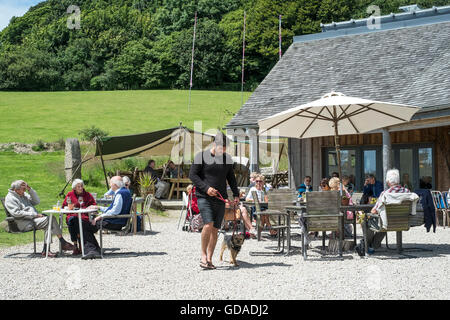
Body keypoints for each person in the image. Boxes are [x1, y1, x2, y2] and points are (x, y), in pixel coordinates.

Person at [189, 132, 240, 270]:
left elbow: (232, 179)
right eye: (220, 147)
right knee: (208, 224)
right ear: (214, 144)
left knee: (215, 229)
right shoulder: (201, 156)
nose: (222, 150)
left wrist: (236, 194)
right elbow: (192, 175)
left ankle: (210, 259)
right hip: (204, 197)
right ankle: (203, 256)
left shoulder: (227, 159)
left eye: (224, 148)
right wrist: (206, 188)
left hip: (220, 198)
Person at [4, 180, 75, 257]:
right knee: (49, 220)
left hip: (32, 220)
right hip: (23, 223)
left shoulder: (23, 194)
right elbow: (16, 213)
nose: (25, 191)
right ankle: (61, 243)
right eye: (23, 189)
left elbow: (37, 201)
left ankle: (47, 250)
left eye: (25, 189)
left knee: (50, 220)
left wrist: (30, 189)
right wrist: (35, 215)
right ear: (16, 190)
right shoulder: (10, 198)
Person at [366, 169, 418, 253]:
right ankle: (375, 244)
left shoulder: (385, 194)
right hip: (403, 221)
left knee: (367, 220)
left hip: (388, 223)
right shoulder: (407, 192)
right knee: (384, 220)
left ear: (388, 181)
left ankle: (368, 245)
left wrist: (368, 214)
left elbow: (374, 211)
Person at [86, 176, 133, 259]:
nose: (110, 185)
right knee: (88, 225)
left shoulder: (120, 194)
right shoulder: (125, 191)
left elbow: (115, 211)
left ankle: (93, 250)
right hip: (118, 220)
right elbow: (113, 209)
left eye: (110, 183)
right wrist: (99, 207)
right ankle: (94, 248)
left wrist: (100, 216)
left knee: (86, 226)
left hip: (115, 222)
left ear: (114, 185)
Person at [62, 179, 96, 255]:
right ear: (74, 188)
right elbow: (64, 206)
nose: (81, 188)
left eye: (81, 186)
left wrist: (90, 207)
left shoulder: (87, 195)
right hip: (72, 215)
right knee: (72, 220)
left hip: (84, 216)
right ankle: (76, 245)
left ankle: (78, 245)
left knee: (76, 221)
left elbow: (94, 205)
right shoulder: (70, 194)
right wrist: (68, 207)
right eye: (78, 187)